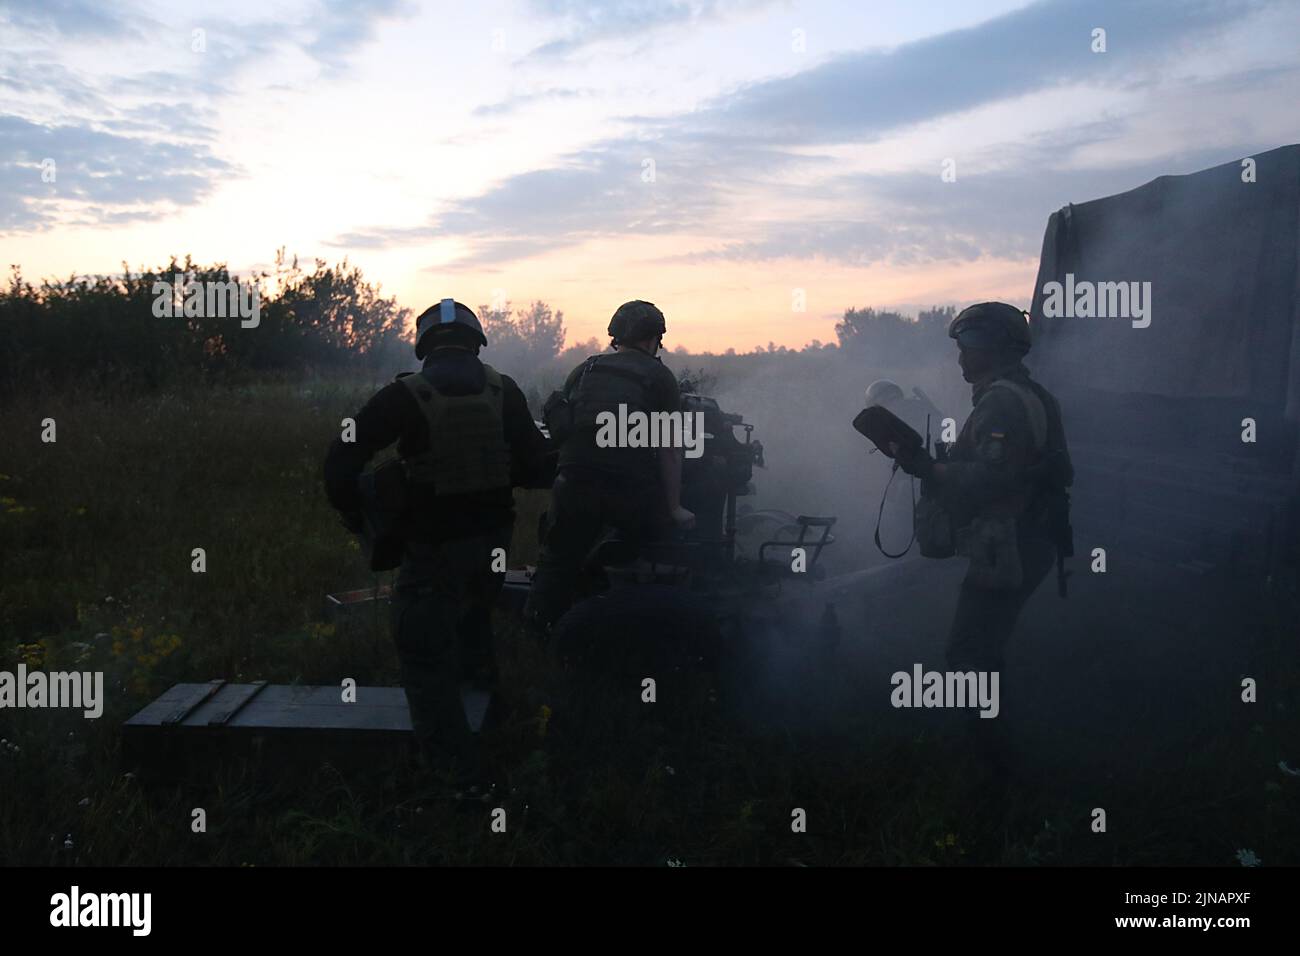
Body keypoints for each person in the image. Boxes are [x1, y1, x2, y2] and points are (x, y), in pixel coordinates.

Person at [323, 298, 547, 787]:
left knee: (425, 655)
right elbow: (537, 468)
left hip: (432, 551)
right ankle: (491, 728)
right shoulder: (502, 390)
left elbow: (340, 461)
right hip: (491, 545)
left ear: (424, 345)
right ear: (476, 341)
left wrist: (356, 511)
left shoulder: (405, 395)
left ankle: (454, 780)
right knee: (473, 628)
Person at [891, 302, 1073, 675]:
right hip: (1035, 534)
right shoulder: (1035, 394)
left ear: (993, 347)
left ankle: (984, 729)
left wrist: (932, 469)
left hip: (1011, 543)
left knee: (968, 652)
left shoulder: (1001, 402)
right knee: (987, 640)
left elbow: (994, 478)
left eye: (967, 347)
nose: (960, 358)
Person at [524, 300, 695, 635]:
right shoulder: (660, 377)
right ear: (652, 339)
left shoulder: (585, 369)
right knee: (656, 549)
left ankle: (541, 634)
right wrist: (675, 508)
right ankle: (637, 628)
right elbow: (670, 450)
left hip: (571, 485)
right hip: (628, 493)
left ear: (616, 336)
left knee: (557, 562)